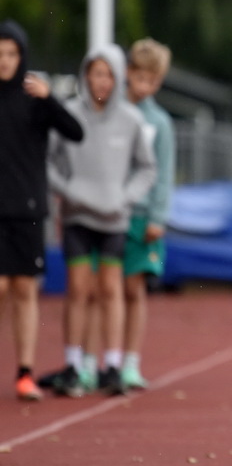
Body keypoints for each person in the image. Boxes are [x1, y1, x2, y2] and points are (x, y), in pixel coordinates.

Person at [45, 44, 157, 396]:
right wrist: (67, 189)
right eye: (96, 73)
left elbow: (147, 167)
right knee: (79, 289)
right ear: (86, 75)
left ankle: (112, 364)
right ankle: (75, 363)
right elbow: (48, 160)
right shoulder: (68, 114)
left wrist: (124, 197)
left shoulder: (131, 119)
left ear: (117, 77)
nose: (102, 81)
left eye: (109, 74)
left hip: (114, 218)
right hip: (77, 214)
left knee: (111, 290)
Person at [0, 19, 84, 401]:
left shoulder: (35, 99)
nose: (4, 60)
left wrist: (50, 97)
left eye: (11, 53)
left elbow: (75, 131)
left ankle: (25, 372)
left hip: (29, 206)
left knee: (24, 289)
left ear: (22, 56)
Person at [117, 38, 175, 389]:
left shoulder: (160, 123)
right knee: (102, 289)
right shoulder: (112, 111)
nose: (146, 86)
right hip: (109, 213)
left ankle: (130, 361)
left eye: (153, 80)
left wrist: (157, 216)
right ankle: (98, 359)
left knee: (133, 288)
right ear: (129, 73)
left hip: (142, 218)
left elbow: (165, 172)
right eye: (140, 77)